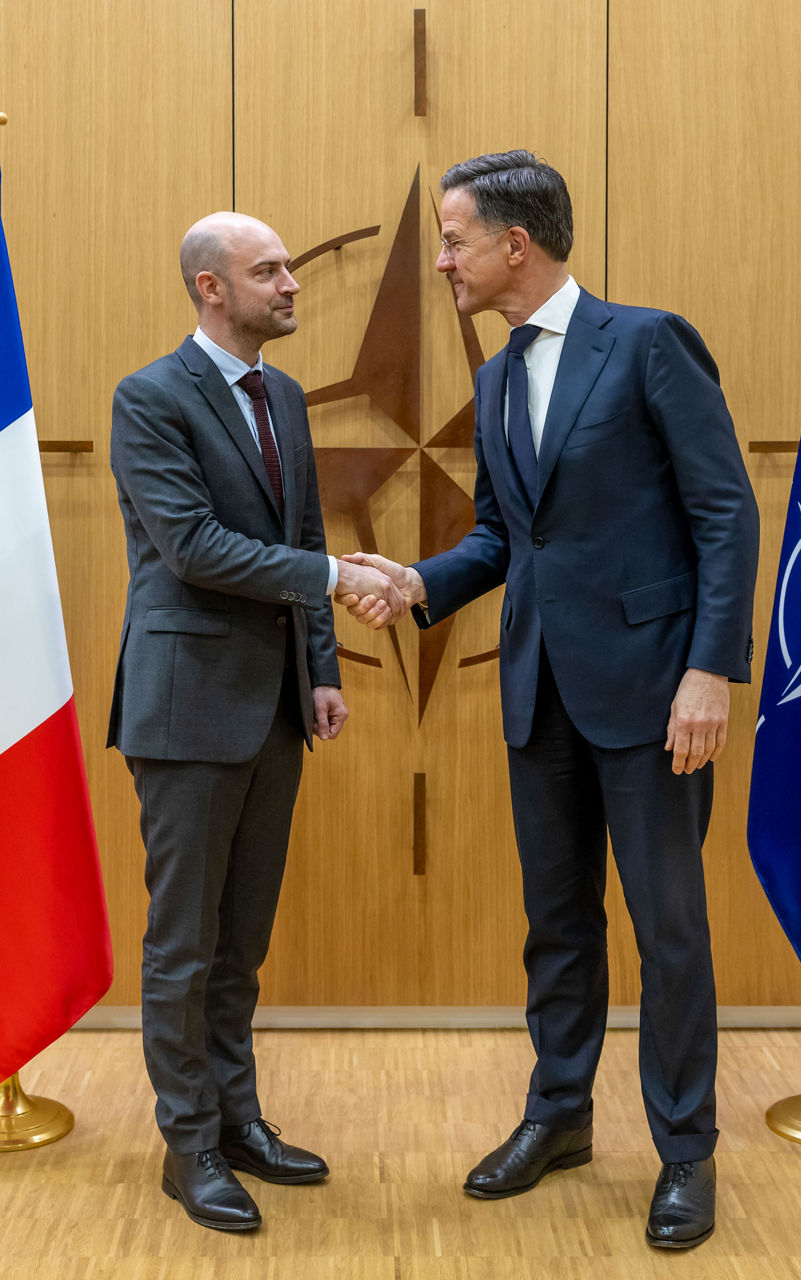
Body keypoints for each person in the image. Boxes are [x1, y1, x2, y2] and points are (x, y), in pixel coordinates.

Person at [341, 151, 759, 1249]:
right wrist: (421, 582)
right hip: (537, 691)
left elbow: (724, 513)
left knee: (667, 932)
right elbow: (503, 535)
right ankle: (558, 1116)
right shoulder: (492, 377)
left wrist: (708, 671)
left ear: (513, 246)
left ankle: (683, 1152)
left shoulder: (647, 342)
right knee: (557, 926)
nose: (440, 259)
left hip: (655, 691)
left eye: (451, 238)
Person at [108, 212, 404, 1232]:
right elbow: (192, 548)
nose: (290, 282)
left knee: (241, 941)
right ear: (208, 287)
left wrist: (318, 666)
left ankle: (237, 1119)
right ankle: (185, 1145)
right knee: (182, 946)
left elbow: (299, 530)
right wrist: (333, 577)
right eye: (266, 269)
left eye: (286, 267)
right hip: (185, 708)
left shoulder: (278, 392)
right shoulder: (148, 398)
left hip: (274, 703)